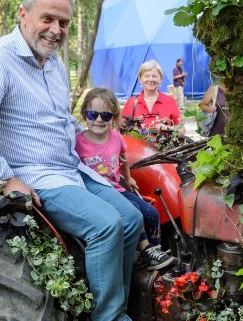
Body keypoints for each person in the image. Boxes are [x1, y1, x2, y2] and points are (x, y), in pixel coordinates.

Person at [0, 0, 157, 321]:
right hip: (35, 175)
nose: (56, 30)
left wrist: (94, 136)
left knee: (131, 217)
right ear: (23, 14)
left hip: (71, 167)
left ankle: (117, 310)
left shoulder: (54, 64)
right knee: (106, 224)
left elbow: (59, 119)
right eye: (48, 19)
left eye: (63, 22)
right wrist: (5, 178)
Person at [75, 87, 174, 270]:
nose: (98, 120)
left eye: (105, 116)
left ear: (113, 117)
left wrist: (128, 179)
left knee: (151, 213)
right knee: (133, 210)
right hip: (97, 194)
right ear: (84, 114)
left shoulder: (116, 137)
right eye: (92, 114)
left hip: (117, 188)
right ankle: (145, 249)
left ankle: (153, 251)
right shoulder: (78, 142)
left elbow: (123, 159)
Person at [122, 61, 182, 131]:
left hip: (164, 142)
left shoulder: (170, 101)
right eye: (147, 76)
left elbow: (181, 128)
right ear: (140, 79)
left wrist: (168, 128)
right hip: (136, 142)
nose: (150, 79)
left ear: (161, 79)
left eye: (154, 76)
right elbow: (122, 127)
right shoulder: (131, 102)